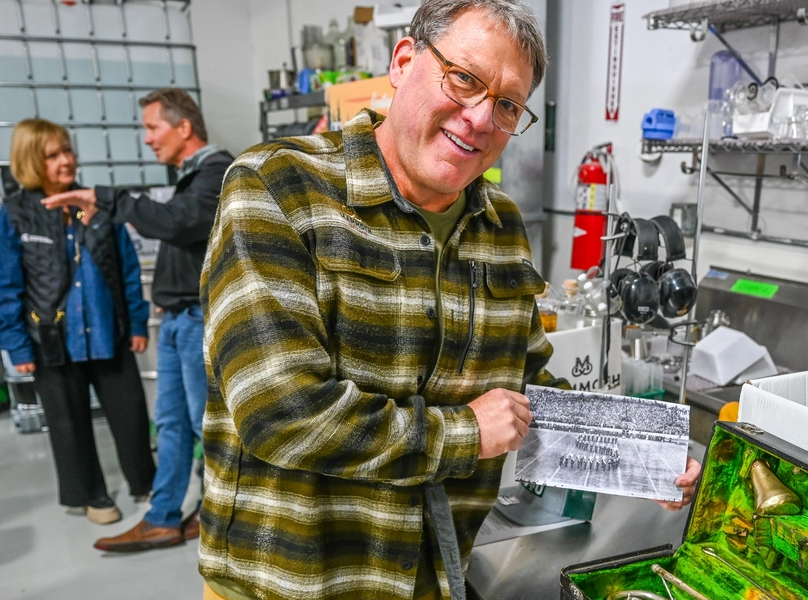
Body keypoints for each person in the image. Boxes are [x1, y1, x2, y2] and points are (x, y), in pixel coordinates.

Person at [197, 2, 700, 599]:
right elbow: (280, 413)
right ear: (403, 62)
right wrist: (466, 434)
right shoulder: (277, 187)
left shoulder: (500, 224)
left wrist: (641, 456)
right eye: (464, 79)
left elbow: (529, 387)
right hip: (293, 580)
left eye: (508, 105)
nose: (481, 117)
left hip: (434, 576)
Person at [42, 88, 233, 552]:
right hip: (178, 320)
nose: (147, 138)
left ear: (183, 127)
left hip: (197, 321)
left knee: (205, 427)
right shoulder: (189, 176)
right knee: (170, 423)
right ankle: (164, 517)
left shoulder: (219, 172)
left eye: (152, 127)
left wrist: (109, 200)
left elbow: (176, 222)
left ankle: (222, 518)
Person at [0, 119, 155, 525]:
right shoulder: (15, 215)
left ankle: (145, 483)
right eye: (52, 155)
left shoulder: (96, 205)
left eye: (67, 150)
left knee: (131, 415)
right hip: (51, 340)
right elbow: (4, 285)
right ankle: (90, 495)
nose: (66, 160)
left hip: (108, 332)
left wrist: (136, 322)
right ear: (31, 160)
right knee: (68, 423)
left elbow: (127, 268)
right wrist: (17, 345)